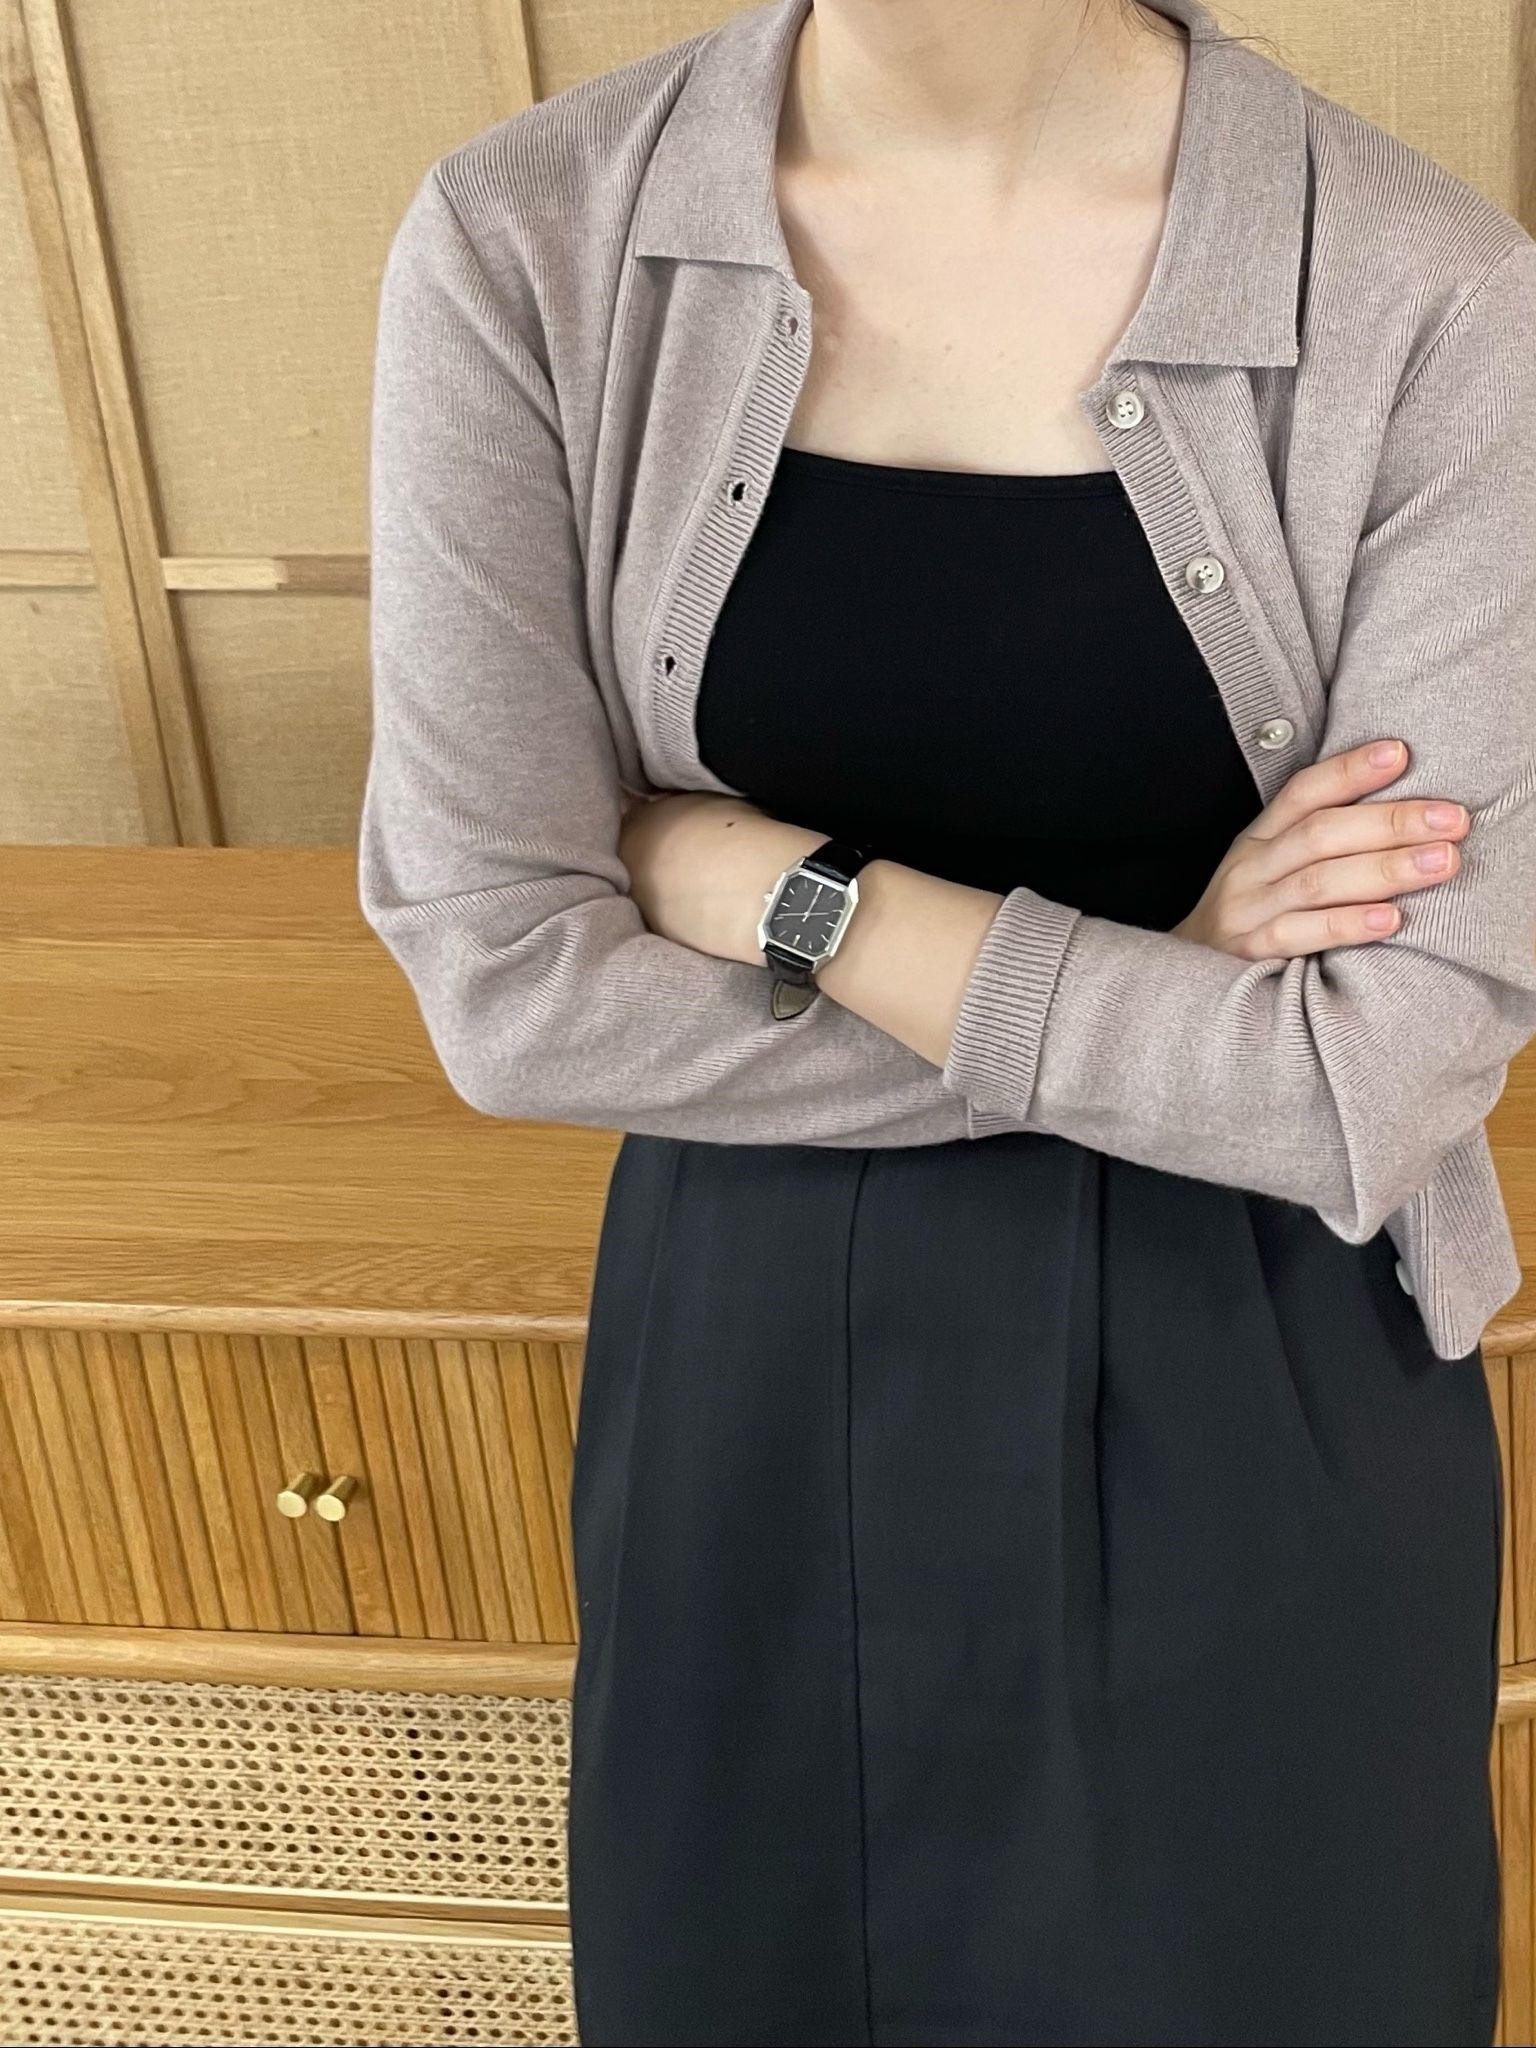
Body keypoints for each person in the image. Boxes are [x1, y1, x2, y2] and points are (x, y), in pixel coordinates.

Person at [359, 0, 1536, 2039]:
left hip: (1257, 1368)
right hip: (745, 1379)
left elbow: (1366, 1073)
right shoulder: (527, 238)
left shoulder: (1426, 297)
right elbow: (509, 982)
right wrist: (1167, 971)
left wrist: (772, 887)